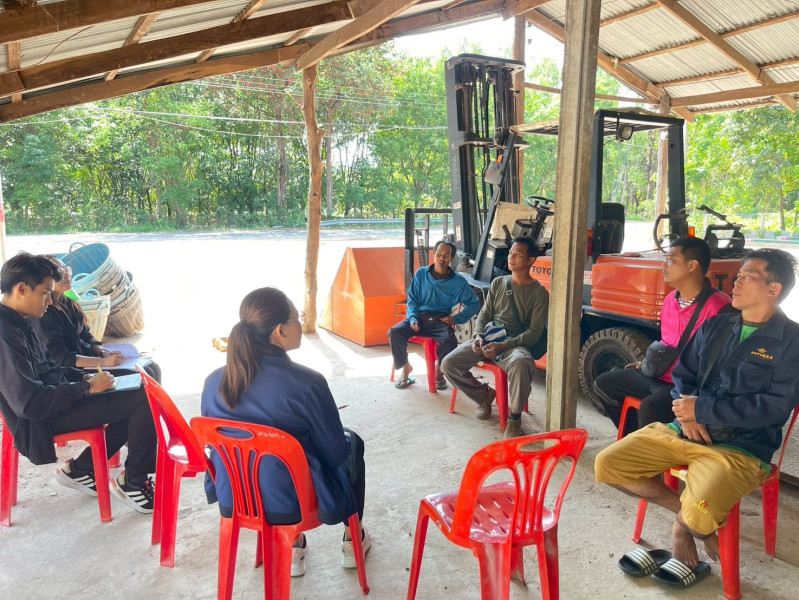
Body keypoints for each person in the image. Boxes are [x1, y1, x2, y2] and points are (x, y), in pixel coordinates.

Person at [595, 248, 799, 588]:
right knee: (608, 464)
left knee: (701, 511)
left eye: (747, 277)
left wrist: (702, 410)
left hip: (740, 448)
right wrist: (687, 414)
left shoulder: (792, 342)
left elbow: (773, 407)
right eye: (738, 275)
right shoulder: (719, 325)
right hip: (685, 431)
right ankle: (688, 518)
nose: (736, 282)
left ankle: (684, 528)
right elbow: (684, 375)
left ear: (773, 289)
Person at [201, 287, 369, 577]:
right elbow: (335, 453)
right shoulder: (307, 383)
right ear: (280, 331)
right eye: (297, 318)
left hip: (237, 497)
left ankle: (292, 546)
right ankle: (352, 538)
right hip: (294, 503)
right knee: (352, 443)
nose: (301, 324)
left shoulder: (214, 381)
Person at [0, 252, 156, 513]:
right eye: (45, 293)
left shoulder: (20, 321)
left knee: (140, 385)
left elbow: (49, 369)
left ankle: (84, 469)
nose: (50, 301)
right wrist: (86, 388)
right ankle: (134, 481)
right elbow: (29, 403)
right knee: (141, 399)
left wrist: (84, 378)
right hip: (39, 420)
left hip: (55, 400)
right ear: (22, 289)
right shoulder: (5, 333)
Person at [593, 237, 732, 435]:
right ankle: (633, 439)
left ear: (692, 265)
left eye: (670, 260)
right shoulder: (669, 300)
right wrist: (647, 363)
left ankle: (648, 447)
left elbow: (722, 365)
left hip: (688, 385)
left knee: (650, 408)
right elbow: (669, 343)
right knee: (604, 384)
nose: (664, 265)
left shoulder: (721, 308)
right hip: (661, 374)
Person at [441, 237, 549, 438]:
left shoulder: (539, 293)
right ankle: (484, 395)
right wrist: (478, 336)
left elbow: (534, 332)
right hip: (489, 338)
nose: (511, 257)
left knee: (521, 362)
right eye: (510, 253)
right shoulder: (499, 283)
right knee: (448, 364)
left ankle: (514, 418)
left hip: (514, 344)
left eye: (517, 255)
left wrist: (504, 346)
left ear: (530, 260)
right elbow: (484, 314)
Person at [35, 256, 162, 382]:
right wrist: (103, 362)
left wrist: (102, 352)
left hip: (88, 359)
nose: (67, 274)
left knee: (153, 367)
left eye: (67, 269)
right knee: (143, 375)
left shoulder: (68, 302)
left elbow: (85, 335)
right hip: (73, 371)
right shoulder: (45, 312)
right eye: (60, 272)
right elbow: (60, 358)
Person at [389, 239, 479, 390]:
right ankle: (405, 367)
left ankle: (439, 370)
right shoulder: (421, 274)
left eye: (446, 255)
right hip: (419, 317)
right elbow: (412, 300)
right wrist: (413, 318)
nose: (442, 258)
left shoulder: (458, 282)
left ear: (451, 258)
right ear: (434, 255)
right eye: (439, 254)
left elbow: (474, 304)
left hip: (440, 320)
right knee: (395, 332)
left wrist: (455, 319)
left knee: (449, 340)